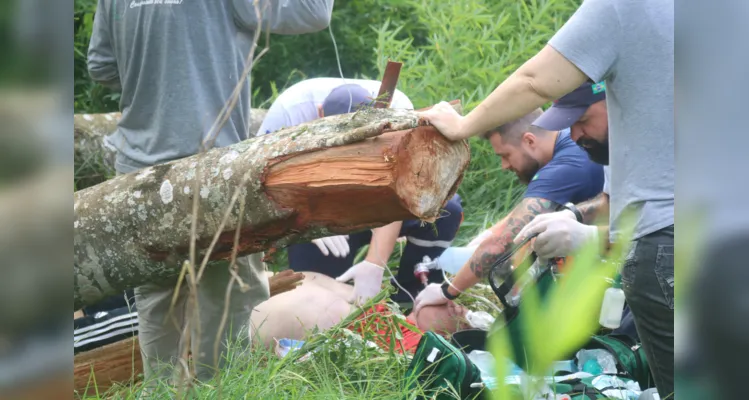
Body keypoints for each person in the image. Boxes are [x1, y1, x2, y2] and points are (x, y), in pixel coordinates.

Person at [418, 0, 674, 397]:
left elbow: (535, 79)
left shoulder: (627, 8)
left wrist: (462, 126)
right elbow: (617, 202)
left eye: (580, 121)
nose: (575, 135)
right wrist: (575, 216)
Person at [87, 0, 334, 384]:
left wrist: (158, 74)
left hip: (137, 175)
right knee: (228, 303)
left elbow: (101, 66)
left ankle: (162, 393)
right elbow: (311, 13)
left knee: (158, 303)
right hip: (212, 171)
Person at [257, 78, 464, 305]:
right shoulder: (289, 113)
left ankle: (410, 298)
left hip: (377, 198)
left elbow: (399, 191)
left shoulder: (396, 109)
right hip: (313, 204)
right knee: (316, 295)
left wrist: (374, 265)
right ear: (319, 114)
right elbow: (260, 184)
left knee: (446, 209)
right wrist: (304, 218)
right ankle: (341, 300)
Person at [413, 95, 604, 313]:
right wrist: (487, 235)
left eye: (506, 155)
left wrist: (448, 290)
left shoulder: (565, 168)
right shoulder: (566, 143)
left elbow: (501, 244)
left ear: (530, 141)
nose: (504, 165)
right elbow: (526, 212)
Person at [250, 271, 473, 354]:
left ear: (447, 338)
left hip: (246, 319)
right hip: (250, 284)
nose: (458, 306)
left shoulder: (416, 346)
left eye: (463, 320)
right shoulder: (384, 308)